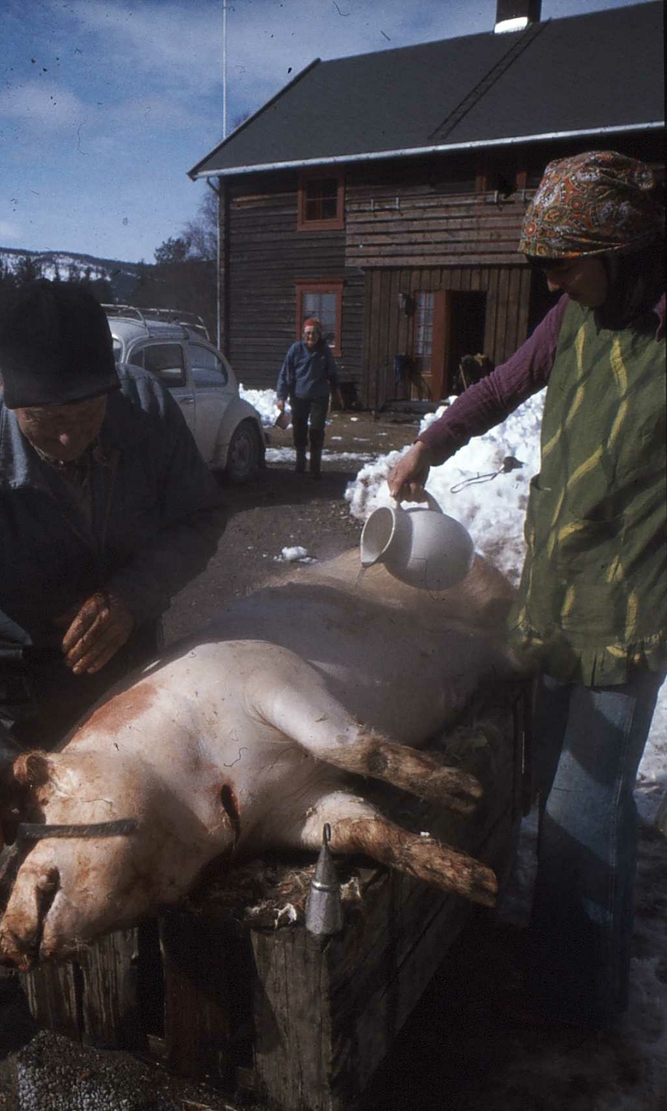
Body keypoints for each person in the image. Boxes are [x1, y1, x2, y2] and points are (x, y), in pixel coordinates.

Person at [388, 150, 665, 1030]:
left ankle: (575, 1008)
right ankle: (563, 956)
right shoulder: (571, 320)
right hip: (559, 584)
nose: (550, 283)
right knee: (552, 786)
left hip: (634, 601)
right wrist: (430, 444)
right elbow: (505, 385)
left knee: (588, 815)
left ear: (619, 253)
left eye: (563, 264)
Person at [0, 280, 227, 856]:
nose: (68, 436)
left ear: (112, 382)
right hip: (20, 676)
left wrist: (132, 596)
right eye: (43, 417)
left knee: (152, 815)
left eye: (88, 410)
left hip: (131, 650)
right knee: (53, 841)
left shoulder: (146, 409)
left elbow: (199, 518)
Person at [276, 317, 342, 479]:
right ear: (303, 334)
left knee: (317, 430)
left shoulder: (324, 350)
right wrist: (281, 396)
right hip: (299, 396)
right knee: (299, 429)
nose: (310, 336)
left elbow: (332, 372)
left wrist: (336, 392)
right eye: (307, 333)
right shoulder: (296, 349)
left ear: (319, 334)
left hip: (319, 397)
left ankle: (315, 466)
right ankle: (300, 461)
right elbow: (285, 373)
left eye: (313, 333)